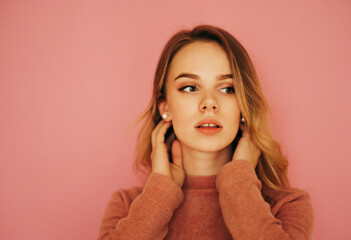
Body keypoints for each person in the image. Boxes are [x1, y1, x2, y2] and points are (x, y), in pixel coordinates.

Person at [97, 24, 314, 240]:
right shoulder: (127, 206)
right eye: (190, 87)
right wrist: (159, 193)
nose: (209, 103)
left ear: (243, 106)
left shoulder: (287, 205)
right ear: (165, 108)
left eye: (227, 88)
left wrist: (239, 182)